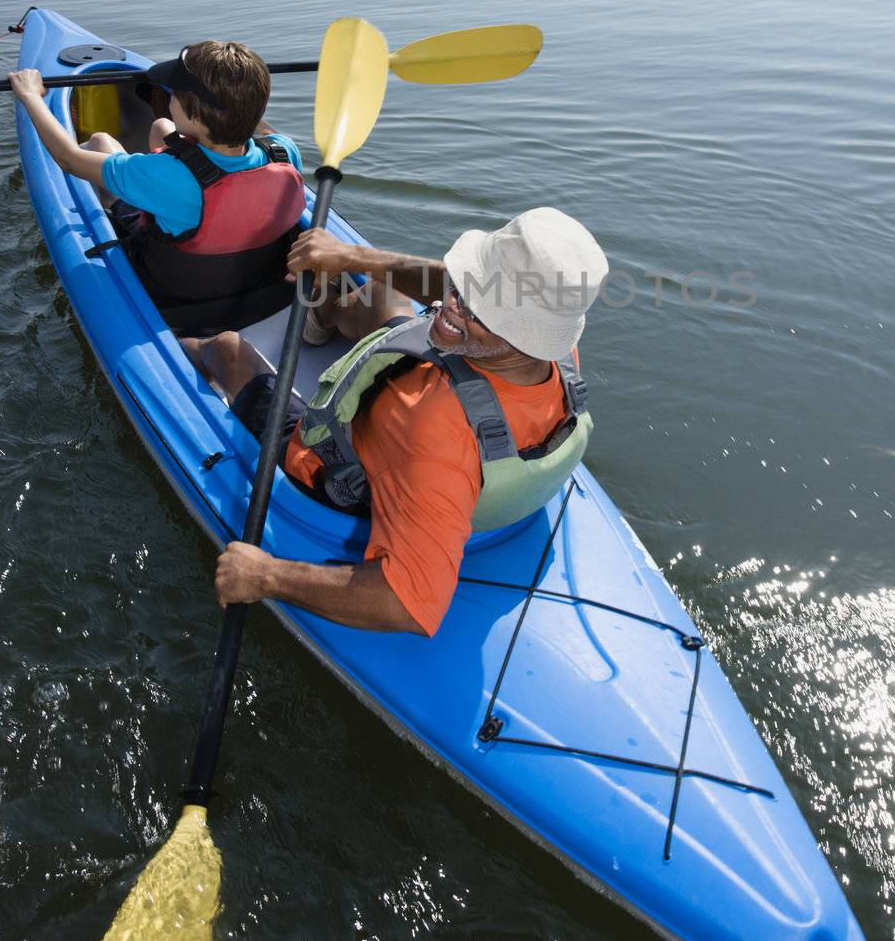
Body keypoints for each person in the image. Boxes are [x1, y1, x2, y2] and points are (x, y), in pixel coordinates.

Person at [182, 207, 608, 638]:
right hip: (450, 449)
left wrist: (265, 577)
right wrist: (352, 257)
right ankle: (323, 313)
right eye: (462, 283)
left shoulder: (431, 427)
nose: (449, 304)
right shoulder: (550, 350)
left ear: (523, 333)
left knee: (229, 349)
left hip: (336, 473)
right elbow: (453, 294)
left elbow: (406, 602)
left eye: (478, 309)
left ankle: (180, 346)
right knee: (381, 298)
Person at [10, 41, 306, 332]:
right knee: (162, 128)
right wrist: (239, 102)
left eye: (174, 95)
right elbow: (262, 130)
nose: (169, 98)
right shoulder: (284, 151)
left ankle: (111, 201)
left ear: (195, 115)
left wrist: (30, 96)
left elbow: (70, 160)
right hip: (257, 277)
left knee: (101, 141)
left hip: (181, 291)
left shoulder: (164, 173)